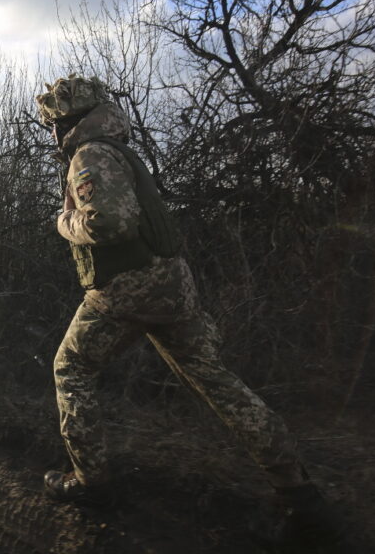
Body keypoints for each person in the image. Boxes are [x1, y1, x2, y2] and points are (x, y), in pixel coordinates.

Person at [34, 74, 341, 547]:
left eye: (54, 125)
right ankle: (300, 492)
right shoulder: (121, 151)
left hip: (127, 290)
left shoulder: (89, 154)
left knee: (70, 368)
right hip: (174, 287)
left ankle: (91, 482)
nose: (53, 135)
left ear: (67, 124)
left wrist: (64, 222)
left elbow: (109, 221)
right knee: (218, 383)